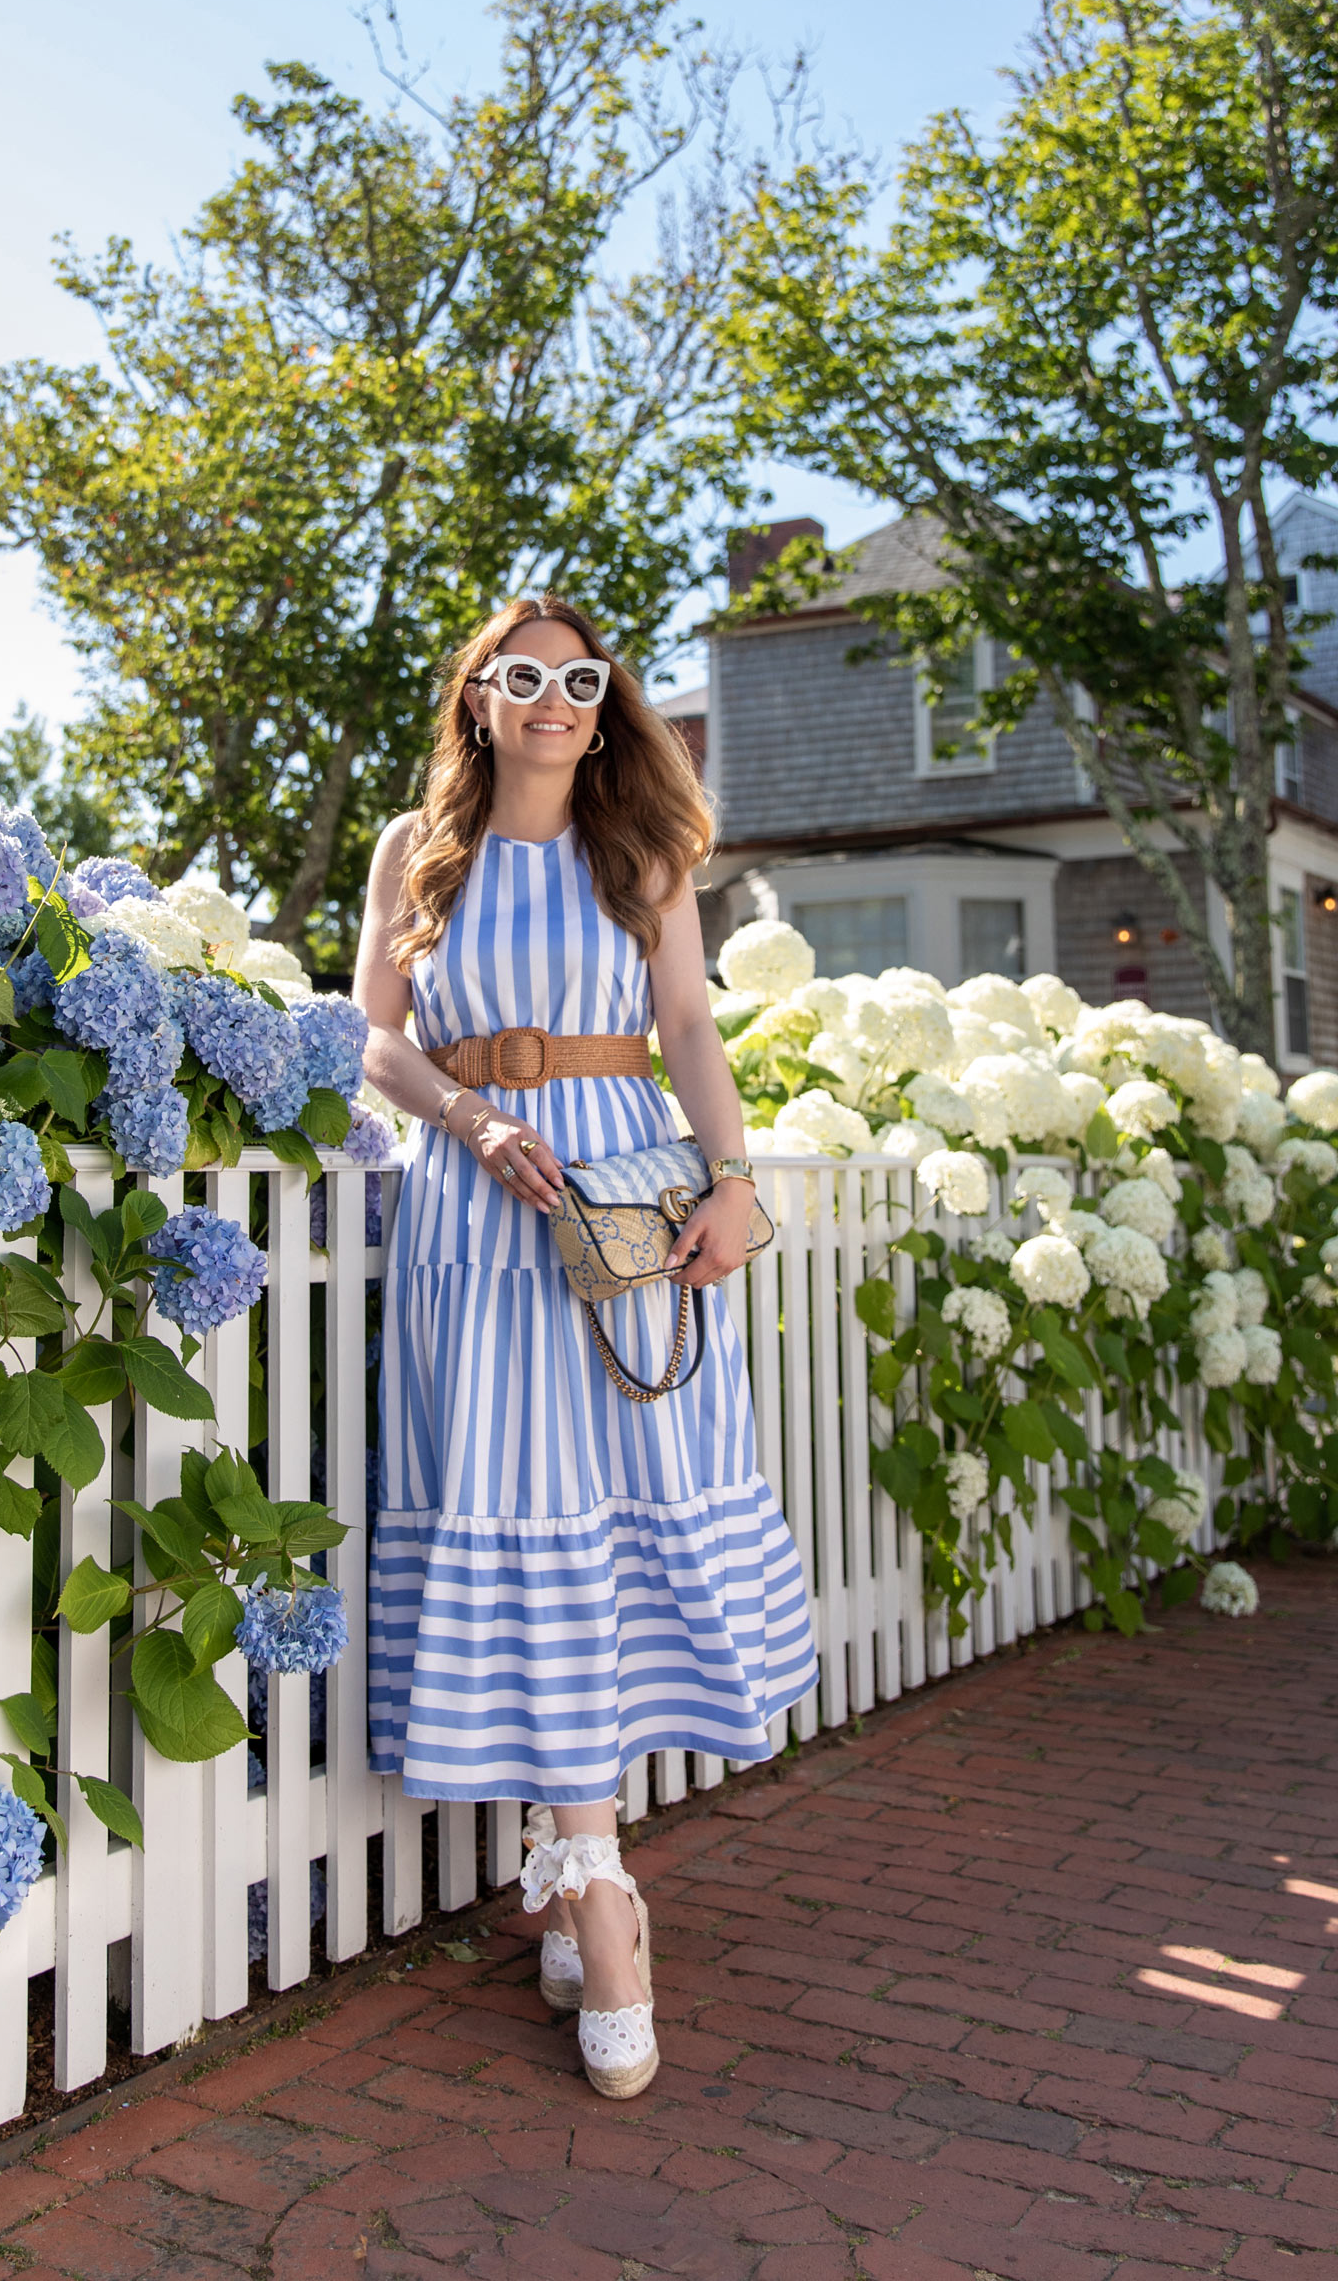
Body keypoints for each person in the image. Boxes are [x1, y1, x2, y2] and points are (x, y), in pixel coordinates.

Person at [354, 595, 817, 2099]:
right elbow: (374, 1037)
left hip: (626, 1197)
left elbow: (687, 1023)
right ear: (478, 697)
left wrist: (733, 1181)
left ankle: (575, 1865)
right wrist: (471, 1116)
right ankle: (600, 1898)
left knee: (611, 1521)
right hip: (477, 1203)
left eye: (580, 676)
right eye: (522, 676)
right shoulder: (414, 850)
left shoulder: (645, 854)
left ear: (606, 697)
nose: (554, 698)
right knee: (531, 1515)